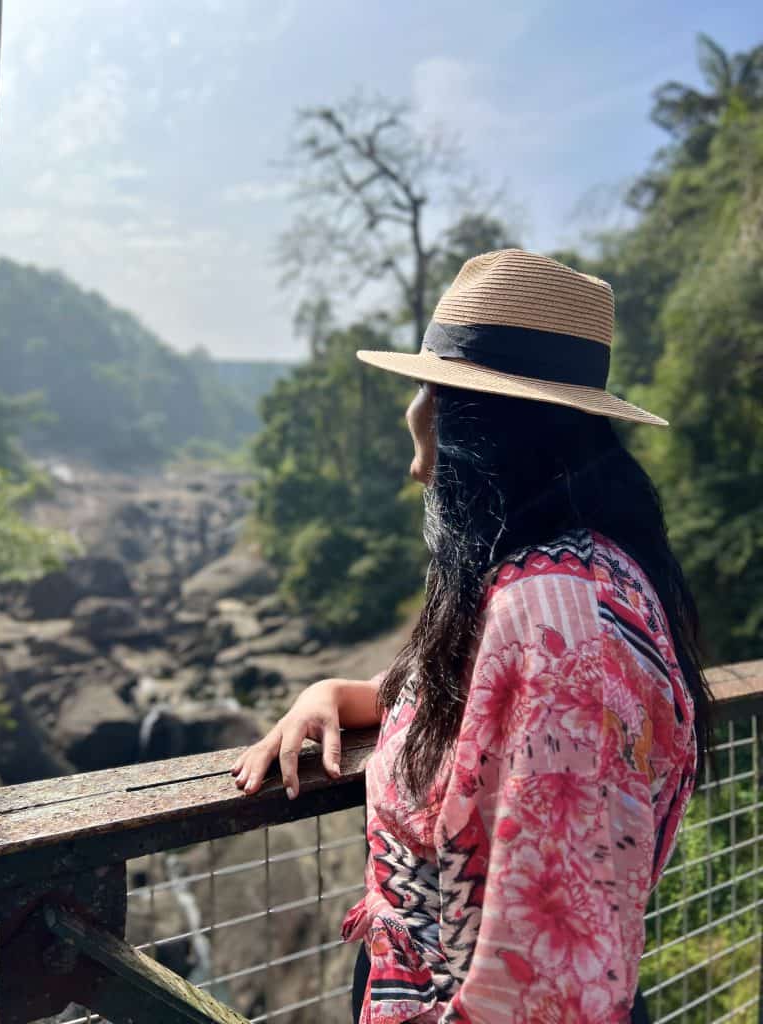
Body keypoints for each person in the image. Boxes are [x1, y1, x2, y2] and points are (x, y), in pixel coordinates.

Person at [230, 249, 715, 1023]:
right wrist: (330, 694)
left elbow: (547, 987)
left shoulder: (557, 619)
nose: (412, 413)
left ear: (472, 418)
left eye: (426, 387)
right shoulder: (552, 577)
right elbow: (473, 717)